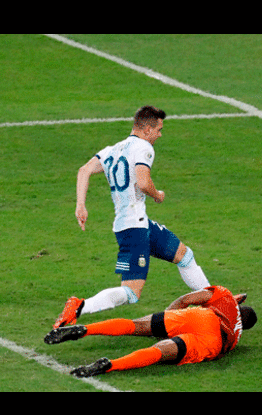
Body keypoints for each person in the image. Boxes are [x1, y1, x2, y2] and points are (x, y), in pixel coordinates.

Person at [53, 105, 212, 329]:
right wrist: (158, 195)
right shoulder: (143, 148)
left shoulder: (113, 150)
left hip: (138, 224)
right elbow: (143, 182)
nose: (160, 134)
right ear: (146, 129)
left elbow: (84, 170)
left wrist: (81, 205)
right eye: (158, 129)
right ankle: (79, 307)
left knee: (184, 256)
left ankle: (214, 303)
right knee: (131, 292)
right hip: (133, 230)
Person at [45, 285, 257, 377]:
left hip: (202, 317)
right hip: (214, 342)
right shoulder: (237, 336)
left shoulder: (226, 296)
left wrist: (165, 318)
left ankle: (85, 329)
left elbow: (186, 299)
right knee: (159, 352)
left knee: (135, 325)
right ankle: (109, 365)